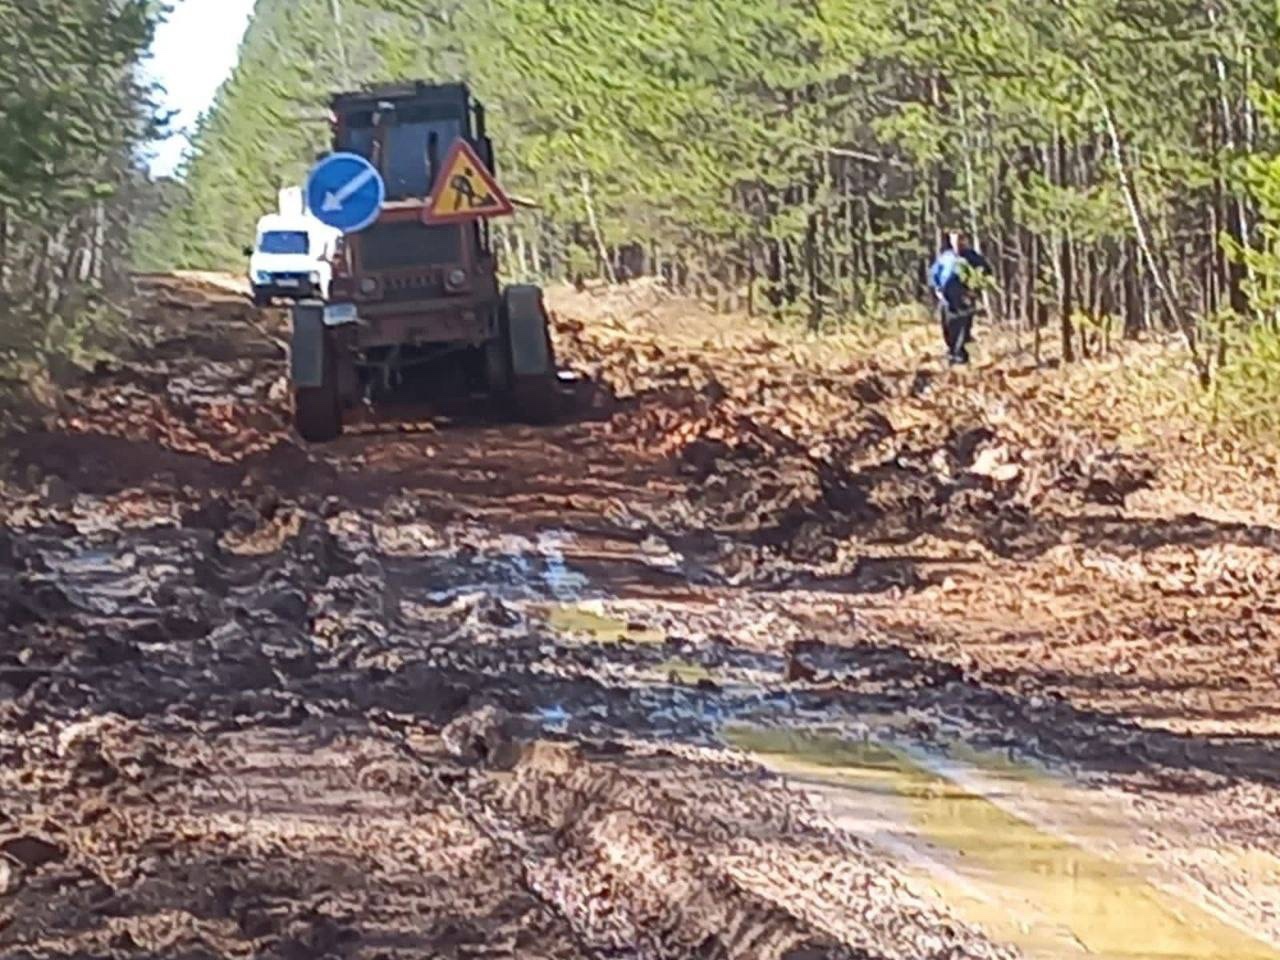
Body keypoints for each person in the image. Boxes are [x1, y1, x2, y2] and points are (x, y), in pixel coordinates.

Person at [929, 230, 993, 365]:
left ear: (964, 240)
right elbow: (934, 273)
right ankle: (952, 353)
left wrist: (975, 289)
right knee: (948, 327)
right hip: (946, 299)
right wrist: (937, 289)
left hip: (964, 298)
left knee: (962, 326)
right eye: (953, 240)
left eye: (958, 239)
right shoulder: (945, 257)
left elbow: (986, 273)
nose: (956, 243)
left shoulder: (972, 257)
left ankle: (960, 358)